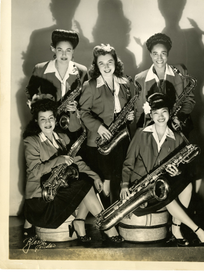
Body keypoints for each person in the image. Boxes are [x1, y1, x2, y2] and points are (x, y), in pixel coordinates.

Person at [120, 93, 204, 248]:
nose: (160, 116)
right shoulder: (140, 134)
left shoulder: (177, 137)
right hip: (141, 188)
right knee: (167, 193)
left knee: (185, 185)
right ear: (150, 115)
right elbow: (128, 162)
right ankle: (198, 231)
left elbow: (180, 166)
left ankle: (176, 229)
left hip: (161, 186)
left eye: (164, 112)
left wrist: (176, 172)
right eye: (156, 113)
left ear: (170, 113)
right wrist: (124, 185)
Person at [22, 98, 124, 243]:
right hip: (41, 202)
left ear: (56, 120)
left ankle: (82, 222)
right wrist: (59, 160)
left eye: (51, 118)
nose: (47, 123)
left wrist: (95, 176)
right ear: (36, 122)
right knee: (82, 184)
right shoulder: (31, 141)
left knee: (86, 180)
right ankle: (105, 226)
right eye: (43, 119)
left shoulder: (62, 138)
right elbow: (34, 172)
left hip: (57, 192)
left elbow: (77, 161)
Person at [79, 44, 135, 207]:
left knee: (119, 175)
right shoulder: (90, 86)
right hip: (100, 140)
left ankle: (118, 213)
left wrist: (129, 117)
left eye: (110, 62)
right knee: (106, 180)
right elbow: (83, 113)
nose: (106, 66)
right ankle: (105, 217)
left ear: (116, 63)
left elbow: (125, 109)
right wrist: (99, 127)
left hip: (121, 136)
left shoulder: (124, 83)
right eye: (101, 63)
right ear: (96, 65)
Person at [26, 29, 88, 140]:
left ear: (73, 51)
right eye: (60, 50)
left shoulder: (82, 71)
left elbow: (86, 100)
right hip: (48, 125)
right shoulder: (40, 69)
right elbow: (30, 94)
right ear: (53, 49)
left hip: (72, 125)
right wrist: (39, 102)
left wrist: (76, 109)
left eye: (68, 50)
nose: (64, 54)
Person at [134, 33, 195, 135]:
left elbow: (189, 99)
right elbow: (139, 111)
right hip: (153, 130)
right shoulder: (140, 78)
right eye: (155, 53)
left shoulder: (180, 71)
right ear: (150, 55)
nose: (159, 58)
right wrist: (140, 134)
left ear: (168, 54)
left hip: (179, 128)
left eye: (163, 53)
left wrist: (179, 117)